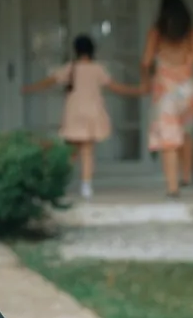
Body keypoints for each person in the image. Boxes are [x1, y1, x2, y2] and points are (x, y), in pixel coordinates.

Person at [22, 34, 144, 199]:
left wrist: (29, 88)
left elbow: (50, 81)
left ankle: (60, 183)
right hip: (92, 113)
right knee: (87, 151)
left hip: (74, 113)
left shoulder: (70, 67)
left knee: (70, 152)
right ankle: (86, 186)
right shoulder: (97, 69)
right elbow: (115, 87)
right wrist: (137, 90)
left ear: (75, 50)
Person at [141, 0, 193, 198]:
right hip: (190, 91)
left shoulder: (156, 33)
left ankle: (172, 187)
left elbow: (145, 62)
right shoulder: (192, 33)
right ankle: (187, 177)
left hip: (166, 92)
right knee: (186, 133)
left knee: (169, 140)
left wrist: (146, 81)